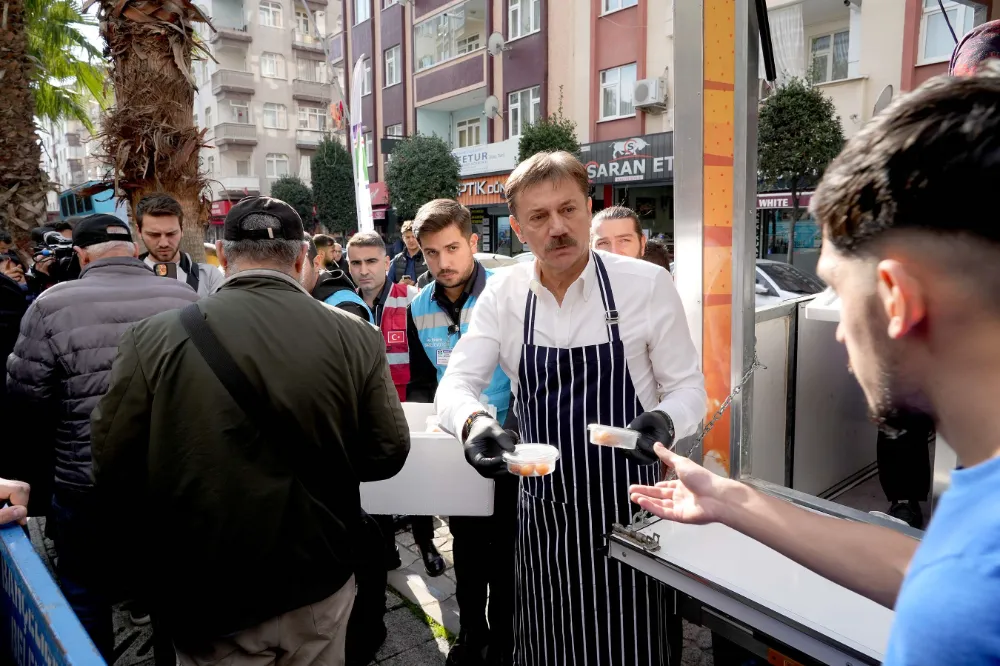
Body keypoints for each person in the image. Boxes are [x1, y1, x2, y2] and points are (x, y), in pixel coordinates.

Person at [632, 73, 1000, 666]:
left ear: (896, 299)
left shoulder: (959, 619)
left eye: (838, 289)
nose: (842, 333)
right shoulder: (978, 537)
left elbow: (948, 589)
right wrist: (730, 500)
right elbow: (921, 568)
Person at [91, 196, 410, 666]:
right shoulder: (356, 334)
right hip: (318, 576)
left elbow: (112, 461)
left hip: (210, 589)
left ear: (222, 254)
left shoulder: (152, 338)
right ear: (301, 258)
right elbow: (388, 452)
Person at [435, 151, 707, 666]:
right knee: (546, 646)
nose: (557, 228)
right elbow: (457, 384)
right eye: (539, 216)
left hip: (630, 509)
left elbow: (690, 388)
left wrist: (666, 420)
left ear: (588, 209)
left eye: (568, 210)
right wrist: (474, 423)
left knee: (634, 646)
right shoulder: (504, 295)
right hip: (545, 517)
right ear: (518, 229)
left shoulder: (646, 285)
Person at [4, 214, 200, 660]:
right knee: (169, 589)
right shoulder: (185, 297)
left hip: (86, 481)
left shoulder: (51, 304)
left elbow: (25, 396)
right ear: (133, 250)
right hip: (170, 478)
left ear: (81, 255)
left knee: (86, 591)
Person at [406, 200, 518, 666]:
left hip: (512, 446)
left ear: (473, 242)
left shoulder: (508, 294)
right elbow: (422, 384)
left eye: (452, 248)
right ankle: (472, 632)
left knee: (509, 552)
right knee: (467, 549)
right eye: (431, 252)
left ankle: (508, 640)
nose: (443, 262)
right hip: (458, 450)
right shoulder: (417, 306)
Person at [347, 231, 445, 578]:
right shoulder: (346, 304)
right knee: (377, 480)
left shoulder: (411, 298)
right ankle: (386, 548)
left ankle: (426, 543)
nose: (364, 270)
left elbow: (430, 355)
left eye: (371, 261)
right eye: (356, 263)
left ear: (387, 262)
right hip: (368, 408)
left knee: (416, 481)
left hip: (412, 403)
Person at [136, 193, 224, 297]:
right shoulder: (128, 277)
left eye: (171, 234)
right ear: (139, 231)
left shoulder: (209, 277)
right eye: (154, 235)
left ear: (182, 230)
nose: (164, 243)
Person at [301, 235, 373, 321]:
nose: (335, 255)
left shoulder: (344, 306)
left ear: (316, 263)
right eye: (333, 251)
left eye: (299, 263)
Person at [387, 220, 427, 286]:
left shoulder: (427, 257)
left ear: (418, 237)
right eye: (407, 237)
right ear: (403, 238)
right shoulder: (397, 260)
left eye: (413, 237)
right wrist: (399, 286)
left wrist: (416, 286)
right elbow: (389, 285)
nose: (411, 240)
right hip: (402, 292)